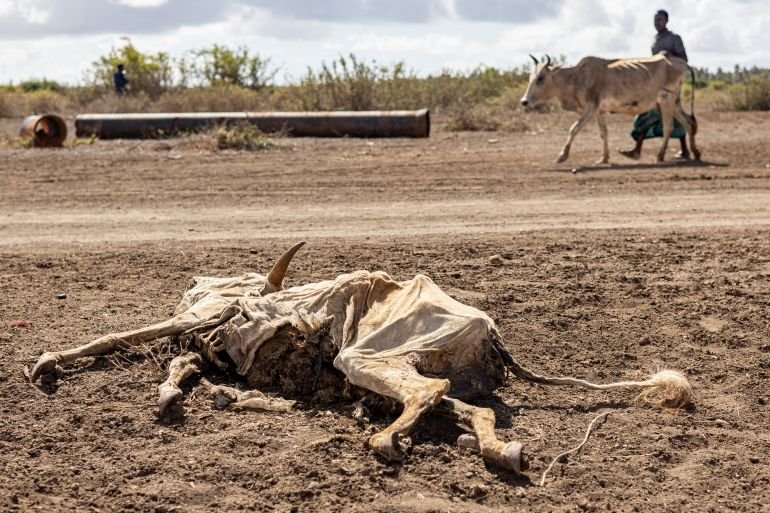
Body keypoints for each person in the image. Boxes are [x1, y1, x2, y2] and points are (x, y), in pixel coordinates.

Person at [620, 9, 690, 160]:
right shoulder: (655, 40)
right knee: (645, 113)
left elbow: (684, 59)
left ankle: (685, 150)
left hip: (670, 84)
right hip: (654, 84)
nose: (657, 22)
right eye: (655, 20)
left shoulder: (674, 38)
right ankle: (637, 150)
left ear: (666, 21)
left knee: (675, 114)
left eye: (659, 20)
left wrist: (669, 56)